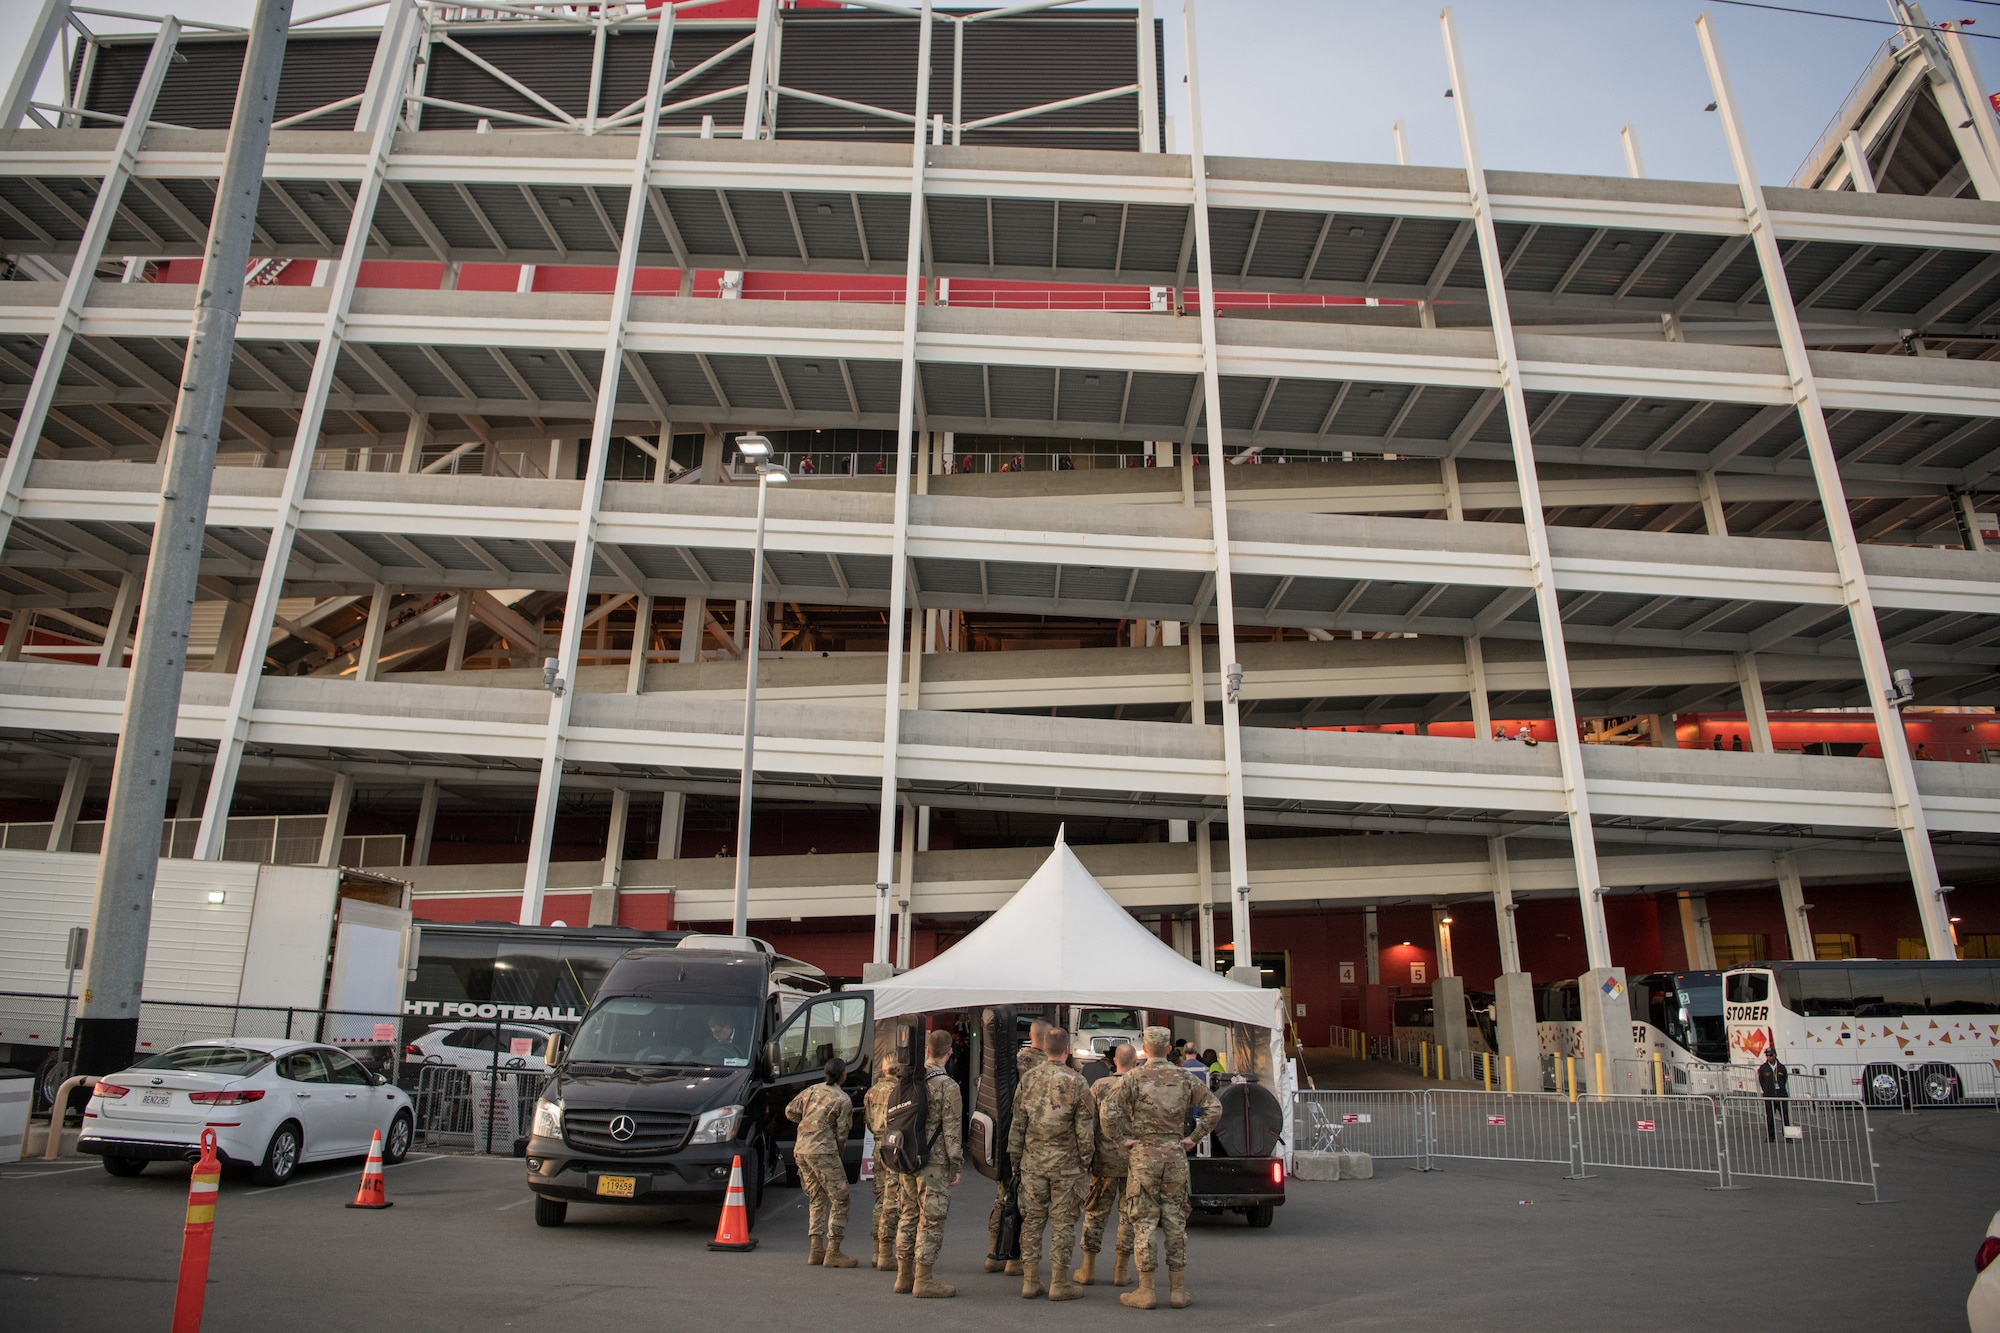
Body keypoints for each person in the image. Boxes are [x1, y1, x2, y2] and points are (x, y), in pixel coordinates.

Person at [1103, 1026, 1222, 1310]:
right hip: (1175, 1155)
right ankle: (1177, 1290)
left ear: (1144, 1049)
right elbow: (1214, 1107)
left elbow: (1107, 1111)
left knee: (1144, 1222)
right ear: (1169, 1049)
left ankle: (1146, 1289)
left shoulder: (1133, 1078)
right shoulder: (1183, 1077)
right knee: (1175, 1221)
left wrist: (1121, 1140)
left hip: (1144, 1156)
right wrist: (1194, 1138)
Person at [1008, 1029, 1095, 1301]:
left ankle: (1030, 1281)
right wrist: (1086, 1161)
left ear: (1045, 1049)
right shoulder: (1077, 1082)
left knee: (1032, 1222)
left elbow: (1018, 1123)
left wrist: (1015, 1158)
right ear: (1067, 1050)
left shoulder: (1028, 1079)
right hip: (1067, 1166)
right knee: (1063, 1224)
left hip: (1033, 1162)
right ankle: (1059, 1282)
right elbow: (1084, 1130)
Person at [893, 1028, 963, 1299]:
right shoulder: (947, 1086)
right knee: (931, 1220)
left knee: (908, 1215)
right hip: (934, 1163)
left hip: (907, 1156)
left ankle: (903, 1276)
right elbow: (952, 1131)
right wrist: (956, 1165)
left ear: (927, 1051)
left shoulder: (909, 1079)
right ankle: (923, 1279)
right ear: (950, 1052)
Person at [989, 1018, 1051, 1274]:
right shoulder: (1046, 1068)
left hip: (1006, 1137)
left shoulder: (1011, 1062)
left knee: (1004, 1197)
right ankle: (1015, 1258)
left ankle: (994, 1252)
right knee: (1027, 1202)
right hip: (1033, 1144)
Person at [1076, 1042, 1137, 1289]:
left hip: (1104, 1162)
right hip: (1134, 1163)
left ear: (1113, 1063)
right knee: (1129, 1216)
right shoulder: (1140, 1087)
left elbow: (1087, 1124)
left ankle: (1088, 1268)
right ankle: (1121, 1270)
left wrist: (1086, 1158)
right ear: (1135, 1063)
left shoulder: (1100, 1087)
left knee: (1095, 1213)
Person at [787, 1058, 858, 1268]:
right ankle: (833, 1251)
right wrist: (837, 1152)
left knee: (817, 1198)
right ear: (843, 1075)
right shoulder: (843, 1099)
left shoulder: (811, 1090)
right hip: (823, 1152)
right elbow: (842, 1133)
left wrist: (807, 1124)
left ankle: (816, 1249)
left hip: (802, 1149)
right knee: (841, 1199)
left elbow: (790, 1111)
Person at [863, 1056, 903, 1271]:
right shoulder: (899, 1091)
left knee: (880, 1197)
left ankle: (877, 1250)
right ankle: (887, 1252)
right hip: (894, 1146)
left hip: (878, 1144)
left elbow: (869, 1122)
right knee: (893, 1198)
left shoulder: (871, 1092)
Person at [1758, 1046, 1792, 1143]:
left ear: (1775, 1055)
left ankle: (1788, 1137)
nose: (1769, 1057)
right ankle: (1770, 1136)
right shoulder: (1763, 1068)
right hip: (1769, 1096)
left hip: (1781, 1095)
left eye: (1771, 1055)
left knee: (1785, 1117)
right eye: (1767, 1055)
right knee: (1770, 1117)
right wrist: (1767, 1091)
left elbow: (1784, 1079)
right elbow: (1761, 1081)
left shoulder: (1781, 1067)